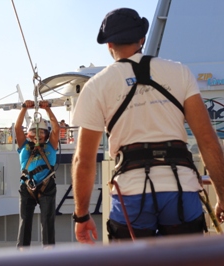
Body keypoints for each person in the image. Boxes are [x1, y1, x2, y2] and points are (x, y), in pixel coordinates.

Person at [71, 7, 224, 243]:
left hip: (131, 194)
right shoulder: (180, 72)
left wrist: (81, 216)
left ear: (109, 44)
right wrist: (222, 197)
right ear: (142, 38)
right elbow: (207, 141)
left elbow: (84, 159)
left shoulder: (97, 86)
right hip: (181, 190)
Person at [15, 100, 59, 248]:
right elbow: (17, 128)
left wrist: (48, 109)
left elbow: (56, 128)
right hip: (26, 186)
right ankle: (22, 254)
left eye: (41, 132)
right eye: (34, 131)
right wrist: (23, 109)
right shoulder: (24, 146)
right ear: (28, 134)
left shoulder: (50, 146)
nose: (38, 134)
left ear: (46, 135)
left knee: (48, 221)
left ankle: (48, 253)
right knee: (25, 221)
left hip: (47, 186)